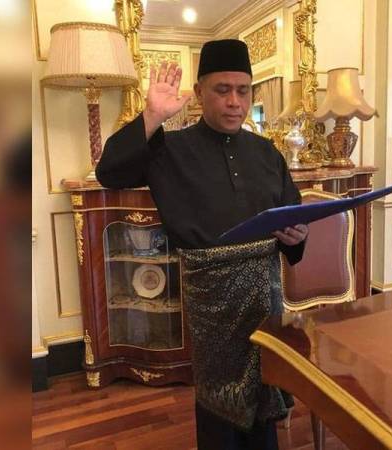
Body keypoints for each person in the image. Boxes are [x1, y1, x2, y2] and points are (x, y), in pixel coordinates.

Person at [96, 39, 308, 450]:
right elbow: (109, 172)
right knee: (218, 403)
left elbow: (291, 217)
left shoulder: (267, 153)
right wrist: (152, 116)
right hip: (211, 303)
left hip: (263, 298)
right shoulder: (169, 149)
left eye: (242, 91)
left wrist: (299, 236)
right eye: (222, 90)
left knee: (264, 392)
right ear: (199, 92)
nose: (234, 102)